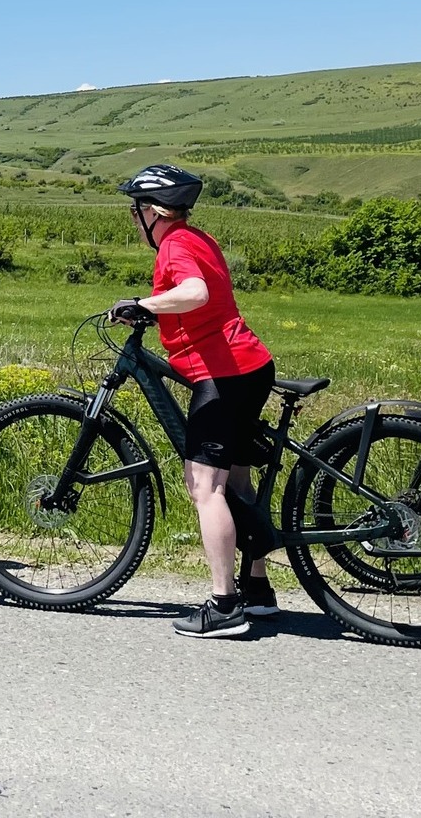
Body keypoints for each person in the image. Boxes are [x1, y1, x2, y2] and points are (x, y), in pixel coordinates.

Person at [112, 164, 279, 639]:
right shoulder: (199, 237)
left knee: (206, 488)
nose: (132, 218)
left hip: (223, 374)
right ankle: (257, 590)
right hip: (249, 365)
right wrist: (155, 312)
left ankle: (224, 606)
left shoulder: (176, 244)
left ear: (152, 211)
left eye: (135, 210)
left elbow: (195, 292)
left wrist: (144, 304)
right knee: (239, 481)